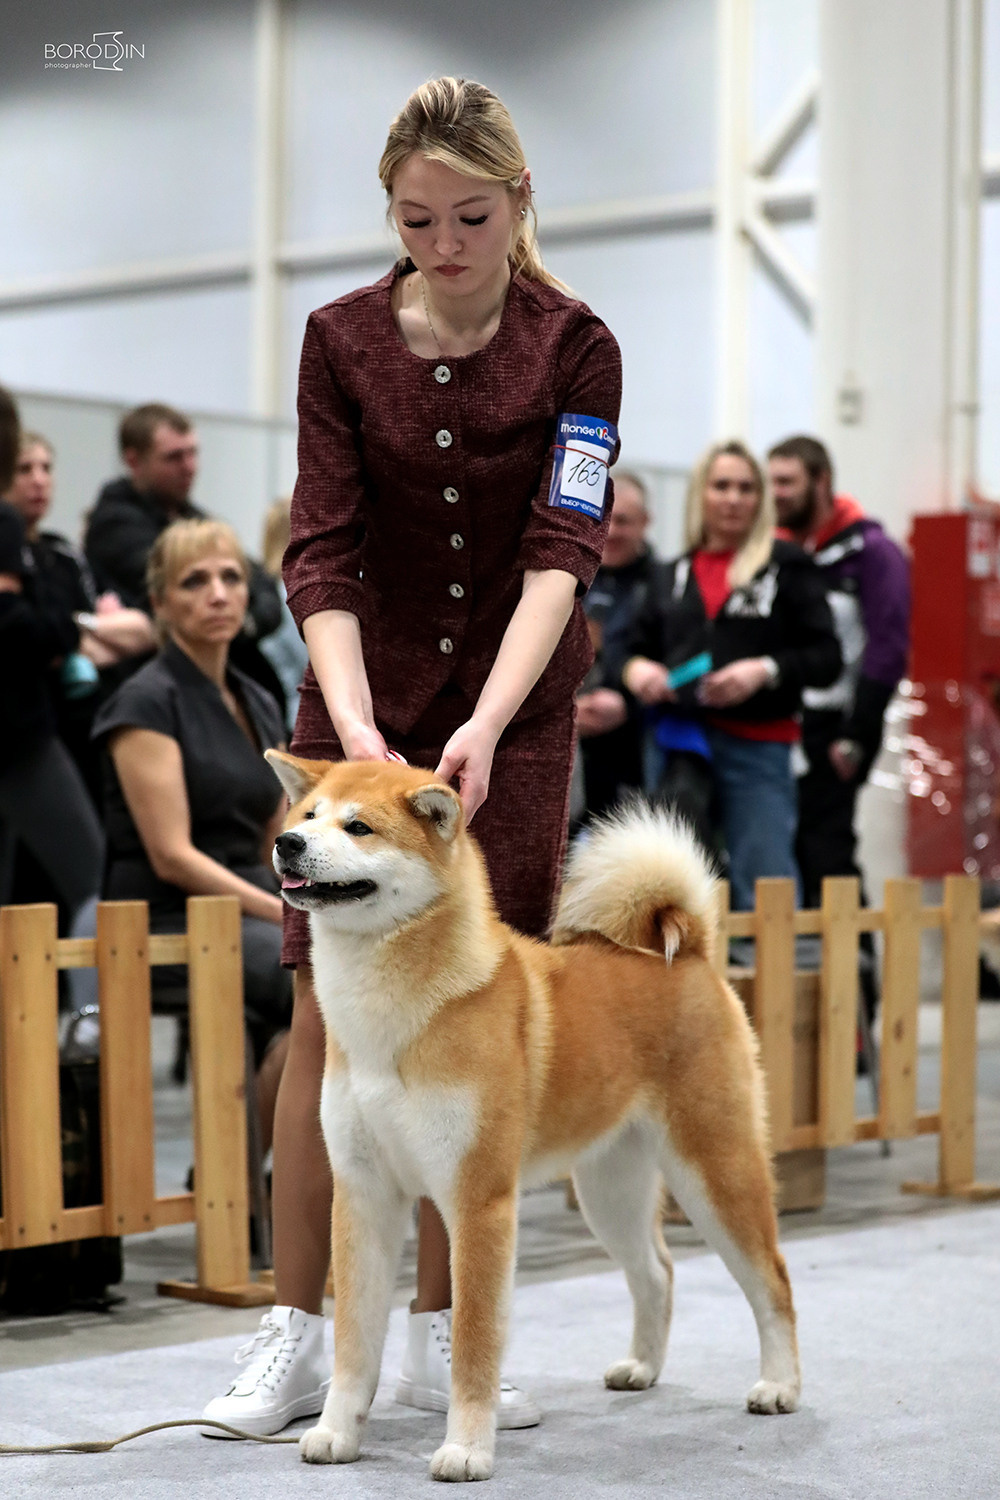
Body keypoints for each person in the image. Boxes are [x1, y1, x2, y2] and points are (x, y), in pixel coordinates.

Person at [202, 75, 622, 1438]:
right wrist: (358, 730)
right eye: (415, 219)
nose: (443, 246)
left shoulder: (580, 346)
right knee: (327, 1026)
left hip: (510, 715)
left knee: (476, 1042)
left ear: (519, 205)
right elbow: (318, 543)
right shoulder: (335, 337)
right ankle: (294, 1332)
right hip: (355, 709)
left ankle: (458, 1354)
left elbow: (564, 554)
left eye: (471, 218)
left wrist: (488, 725)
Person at [91, 520, 292, 1145]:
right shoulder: (143, 702)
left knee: (353, 975)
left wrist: (304, 900)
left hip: (247, 907)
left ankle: (246, 1166)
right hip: (164, 918)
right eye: (194, 582)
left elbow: (276, 836)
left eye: (231, 577)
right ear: (159, 605)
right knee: (316, 978)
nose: (219, 594)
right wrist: (283, 914)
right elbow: (172, 856)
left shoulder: (255, 698)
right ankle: (232, 1170)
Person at [623, 440, 840, 911]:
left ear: (761, 499)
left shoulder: (786, 567)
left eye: (746, 488)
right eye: (722, 486)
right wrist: (638, 671)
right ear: (701, 493)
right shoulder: (671, 574)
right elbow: (633, 647)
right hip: (680, 747)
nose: (734, 498)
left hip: (759, 746)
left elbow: (827, 657)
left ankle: (777, 982)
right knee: (675, 884)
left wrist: (764, 670)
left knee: (764, 879)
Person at [767, 435, 910, 910]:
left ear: (821, 481)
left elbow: (887, 649)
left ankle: (855, 974)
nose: (776, 493)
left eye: (787, 481)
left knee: (825, 854)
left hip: (836, 730)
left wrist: (858, 734)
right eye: (771, 482)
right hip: (778, 725)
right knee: (777, 853)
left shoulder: (872, 552)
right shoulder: (775, 553)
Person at [83, 402, 287, 713]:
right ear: (134, 460)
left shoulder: (195, 517)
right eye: (174, 457)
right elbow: (180, 605)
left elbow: (264, 588)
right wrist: (240, 621)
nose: (189, 466)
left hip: (229, 683)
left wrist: (241, 625)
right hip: (160, 691)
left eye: (193, 453)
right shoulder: (114, 525)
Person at [3, 431, 153, 806]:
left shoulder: (65, 554)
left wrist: (77, 629)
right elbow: (35, 642)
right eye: (25, 469)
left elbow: (145, 628)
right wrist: (90, 630)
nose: (38, 479)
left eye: (46, 468)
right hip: (33, 730)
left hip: (93, 723)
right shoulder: (13, 561)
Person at [0, 498, 104, 926]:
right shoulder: (7, 523)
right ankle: (91, 998)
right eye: (27, 466)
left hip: (24, 737)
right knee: (95, 886)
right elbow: (24, 627)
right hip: (21, 738)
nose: (39, 479)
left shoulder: (45, 546)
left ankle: (88, 997)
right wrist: (65, 632)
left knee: (90, 887)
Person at [575, 471, 656, 821]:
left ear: (645, 522)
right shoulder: (565, 580)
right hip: (571, 738)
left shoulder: (666, 584)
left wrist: (628, 705)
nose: (609, 531)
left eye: (622, 520)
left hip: (637, 747)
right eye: (601, 518)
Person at [258, 497, 309, 732]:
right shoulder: (294, 594)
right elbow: (310, 661)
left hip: (273, 714)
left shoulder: (264, 594)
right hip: (299, 717)